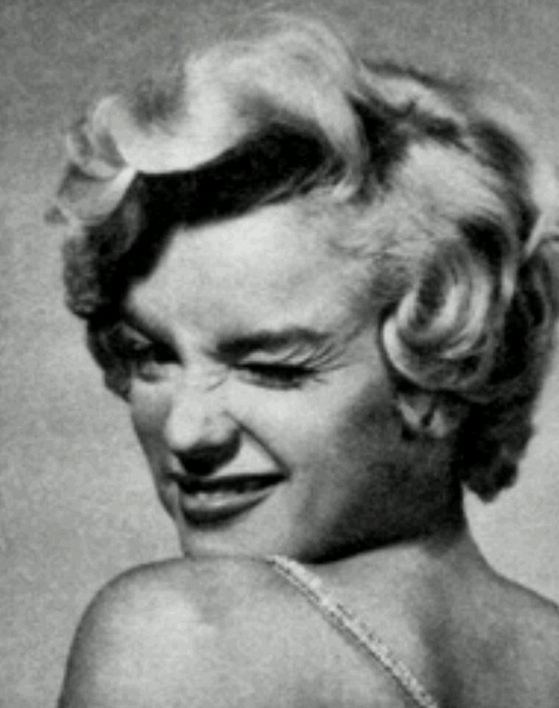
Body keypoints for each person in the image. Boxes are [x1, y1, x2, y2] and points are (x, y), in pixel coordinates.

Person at [52, 12, 559, 707]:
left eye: (273, 368)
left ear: (446, 374)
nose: (186, 433)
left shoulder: (181, 633)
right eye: (151, 356)